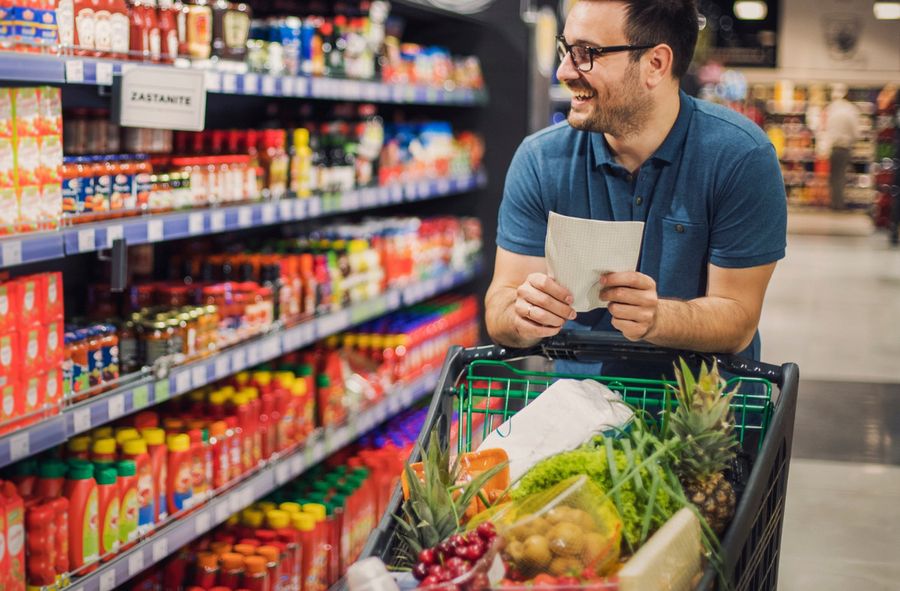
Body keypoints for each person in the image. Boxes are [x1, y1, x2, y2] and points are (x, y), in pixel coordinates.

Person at [484, 0, 787, 373]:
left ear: (655, 64)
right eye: (566, 50)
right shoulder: (541, 159)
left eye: (586, 54)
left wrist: (658, 318)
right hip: (578, 414)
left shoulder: (739, 157)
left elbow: (739, 318)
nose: (564, 71)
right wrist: (522, 315)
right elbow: (500, 307)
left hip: (705, 414)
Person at [823, 83, 861, 210]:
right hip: (845, 147)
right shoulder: (851, 110)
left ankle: (834, 203)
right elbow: (856, 132)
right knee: (841, 176)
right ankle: (839, 204)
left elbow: (826, 129)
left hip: (834, 147)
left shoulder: (831, 108)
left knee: (834, 177)